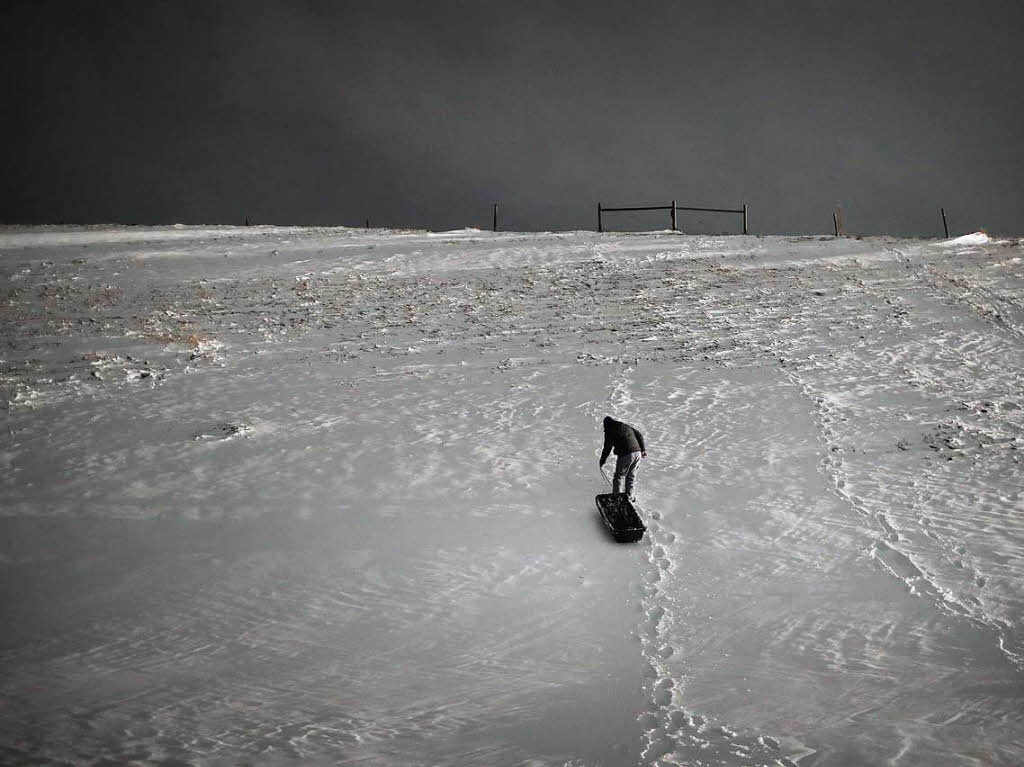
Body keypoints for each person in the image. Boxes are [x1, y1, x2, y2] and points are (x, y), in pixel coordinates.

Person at [599, 416, 647, 500]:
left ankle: (617, 498)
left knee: (619, 476)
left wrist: (602, 460)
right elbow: (639, 435)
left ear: (606, 424)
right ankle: (630, 497)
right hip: (637, 453)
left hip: (626, 454)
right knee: (631, 476)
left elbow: (607, 448)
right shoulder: (625, 426)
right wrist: (643, 449)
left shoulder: (609, 430)